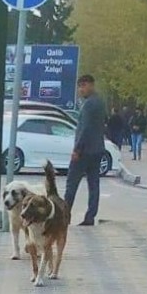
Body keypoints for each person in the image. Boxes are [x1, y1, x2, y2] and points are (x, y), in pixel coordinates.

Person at [64, 74, 107, 227]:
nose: (81, 89)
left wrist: (77, 149)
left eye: (83, 86)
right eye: (79, 86)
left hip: (84, 151)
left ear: (91, 85)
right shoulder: (100, 102)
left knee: (71, 183)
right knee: (94, 184)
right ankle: (90, 216)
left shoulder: (89, 104)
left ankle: (64, 216)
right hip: (97, 149)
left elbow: (85, 128)